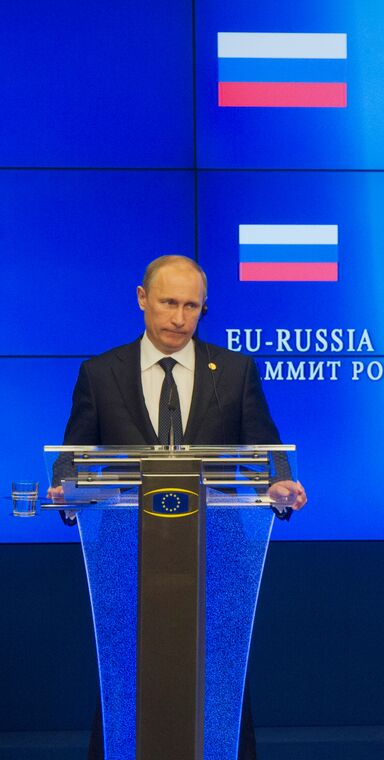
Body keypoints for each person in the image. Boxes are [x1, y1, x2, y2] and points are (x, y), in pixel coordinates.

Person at [55, 254, 306, 760]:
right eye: (168, 302)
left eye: (192, 306)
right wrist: (67, 493)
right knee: (126, 674)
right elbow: (70, 461)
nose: (178, 318)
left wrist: (280, 486)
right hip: (128, 560)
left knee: (219, 675)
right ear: (142, 299)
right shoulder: (101, 373)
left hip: (217, 558)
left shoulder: (234, 371)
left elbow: (267, 455)